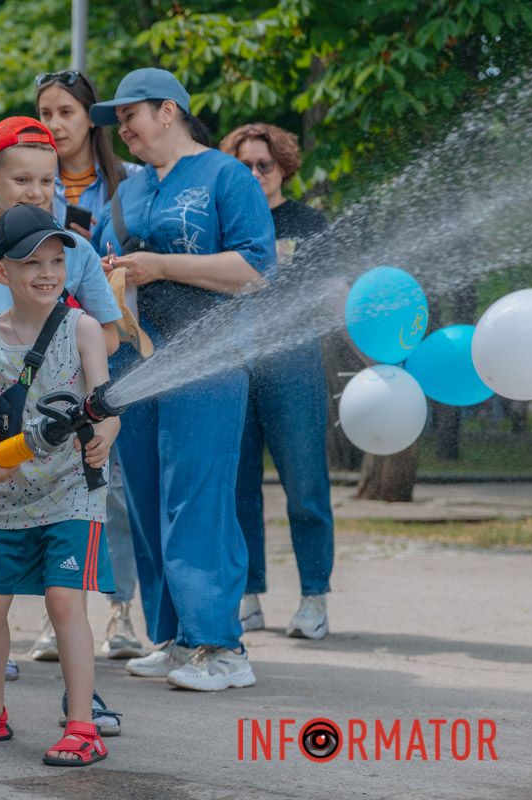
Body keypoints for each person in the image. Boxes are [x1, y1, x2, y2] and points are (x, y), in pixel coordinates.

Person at [0, 116, 122, 717]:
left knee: (65, 598)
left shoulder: (75, 252)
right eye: (23, 179)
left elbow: (104, 342)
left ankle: (80, 702)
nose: (35, 191)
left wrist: (63, 367)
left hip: (60, 457)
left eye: (46, 180)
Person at [91, 68, 276, 691]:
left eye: (131, 115)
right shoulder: (127, 190)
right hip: (130, 367)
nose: (124, 129)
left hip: (210, 363)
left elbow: (256, 267)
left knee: (196, 498)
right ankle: (174, 638)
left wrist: (160, 264)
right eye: (118, 121)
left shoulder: (225, 176)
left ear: (169, 111)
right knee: (144, 499)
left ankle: (223, 649)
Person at [35, 69, 144, 662]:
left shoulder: (127, 185)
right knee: (55, 481)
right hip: (47, 350)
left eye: (66, 112)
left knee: (114, 484)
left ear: (90, 119)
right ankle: (58, 616)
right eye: (45, 112)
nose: (55, 124)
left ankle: (122, 611)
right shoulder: (32, 186)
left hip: (112, 347)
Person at [218, 122, 334, 639]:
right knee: (239, 489)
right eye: (243, 165)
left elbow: (331, 293)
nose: (255, 174)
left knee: (306, 487)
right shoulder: (225, 222)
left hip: (294, 365)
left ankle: (314, 598)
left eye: (264, 165)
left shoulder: (309, 224)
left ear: (283, 167)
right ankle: (249, 596)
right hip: (233, 366)